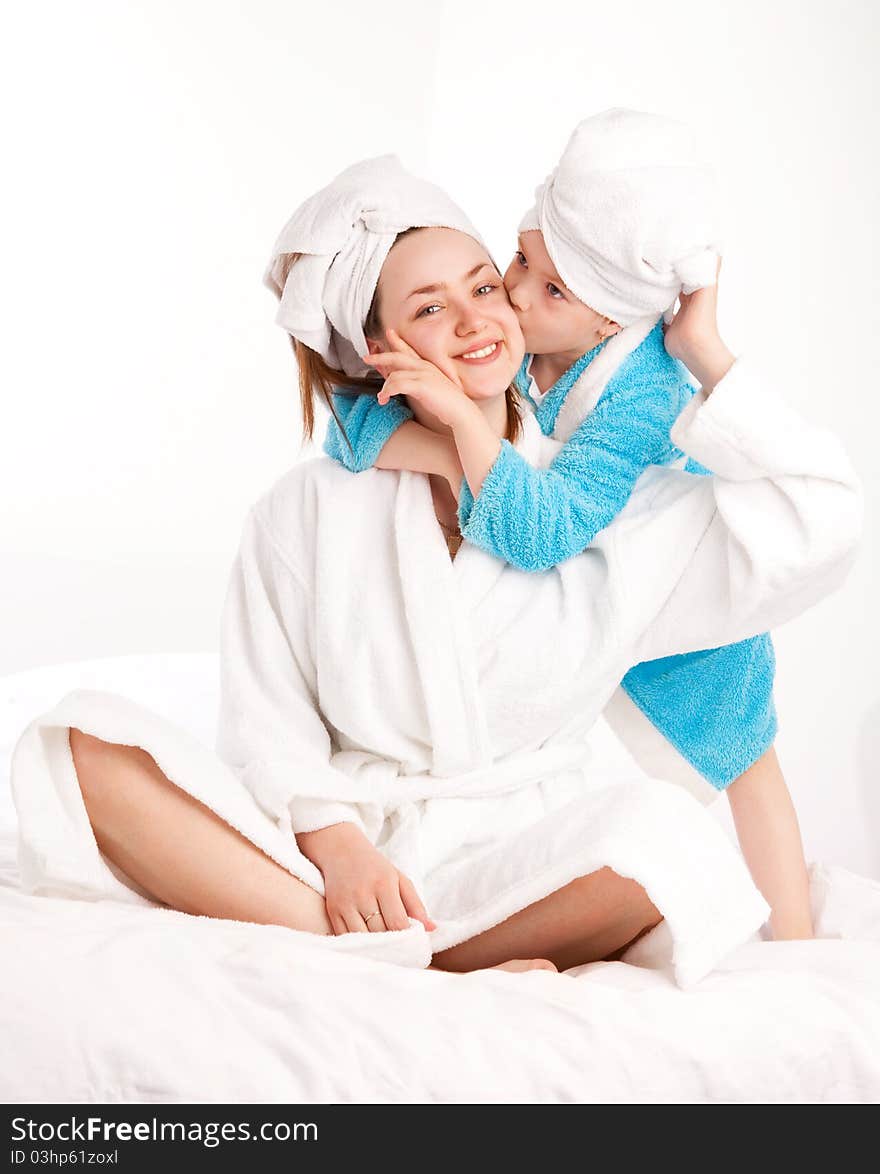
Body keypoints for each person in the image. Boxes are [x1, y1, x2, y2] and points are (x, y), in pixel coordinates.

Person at [10, 156, 861, 985]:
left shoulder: (605, 505)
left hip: (524, 868)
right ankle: (411, 952)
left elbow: (820, 517)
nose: (474, 321)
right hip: (342, 860)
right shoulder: (303, 511)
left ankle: (409, 958)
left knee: (671, 841)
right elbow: (267, 719)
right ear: (377, 347)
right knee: (77, 744)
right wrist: (340, 850)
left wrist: (703, 349)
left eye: (485, 287)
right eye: (430, 307)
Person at [319, 111, 809, 939]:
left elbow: (545, 532)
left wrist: (463, 434)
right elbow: (347, 422)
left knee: (747, 758)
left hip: (682, 621)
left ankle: (796, 942)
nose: (509, 293)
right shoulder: (520, 344)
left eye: (547, 290)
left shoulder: (641, 387)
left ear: (613, 321)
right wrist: (441, 446)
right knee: (572, 801)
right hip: (577, 625)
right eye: (517, 260)